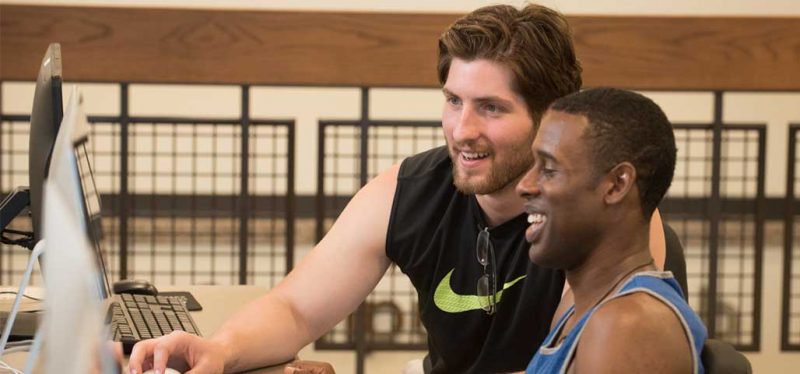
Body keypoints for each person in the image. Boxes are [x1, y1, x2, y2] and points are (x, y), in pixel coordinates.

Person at [127, 5, 666, 373]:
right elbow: (296, 309)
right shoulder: (409, 190)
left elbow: (562, 366)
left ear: (552, 113)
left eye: (491, 108)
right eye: (453, 100)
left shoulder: (601, 214)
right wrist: (217, 350)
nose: (462, 129)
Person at [518, 88, 707, 373]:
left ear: (617, 185)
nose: (525, 185)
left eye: (549, 169)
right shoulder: (575, 308)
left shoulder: (628, 324)